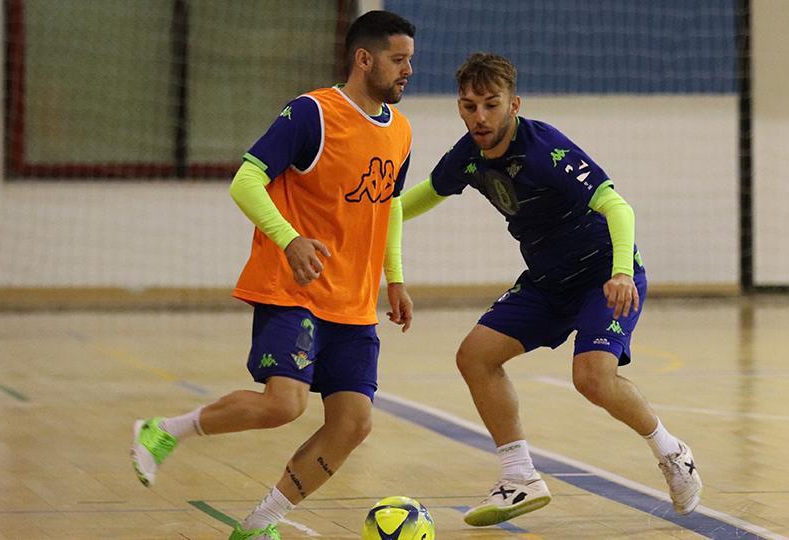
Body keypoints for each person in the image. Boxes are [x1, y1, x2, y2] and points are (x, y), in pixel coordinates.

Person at [130, 11, 416, 540]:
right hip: (295, 289)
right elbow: (245, 181)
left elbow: (391, 204)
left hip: (353, 302)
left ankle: (260, 525)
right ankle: (164, 432)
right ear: (363, 59)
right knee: (284, 402)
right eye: (398, 60)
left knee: (353, 423)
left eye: (410, 62)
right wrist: (289, 240)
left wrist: (393, 277)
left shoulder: (400, 130)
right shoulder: (313, 114)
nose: (407, 71)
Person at [400, 53, 702, 527]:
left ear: (513, 104)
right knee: (475, 356)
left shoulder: (545, 150)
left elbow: (617, 206)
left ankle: (672, 452)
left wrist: (622, 271)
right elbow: (423, 196)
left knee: (592, 378)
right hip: (547, 281)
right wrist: (369, 220)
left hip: (604, 275)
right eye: (469, 106)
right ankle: (520, 476)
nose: (479, 117)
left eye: (490, 105)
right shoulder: (467, 155)